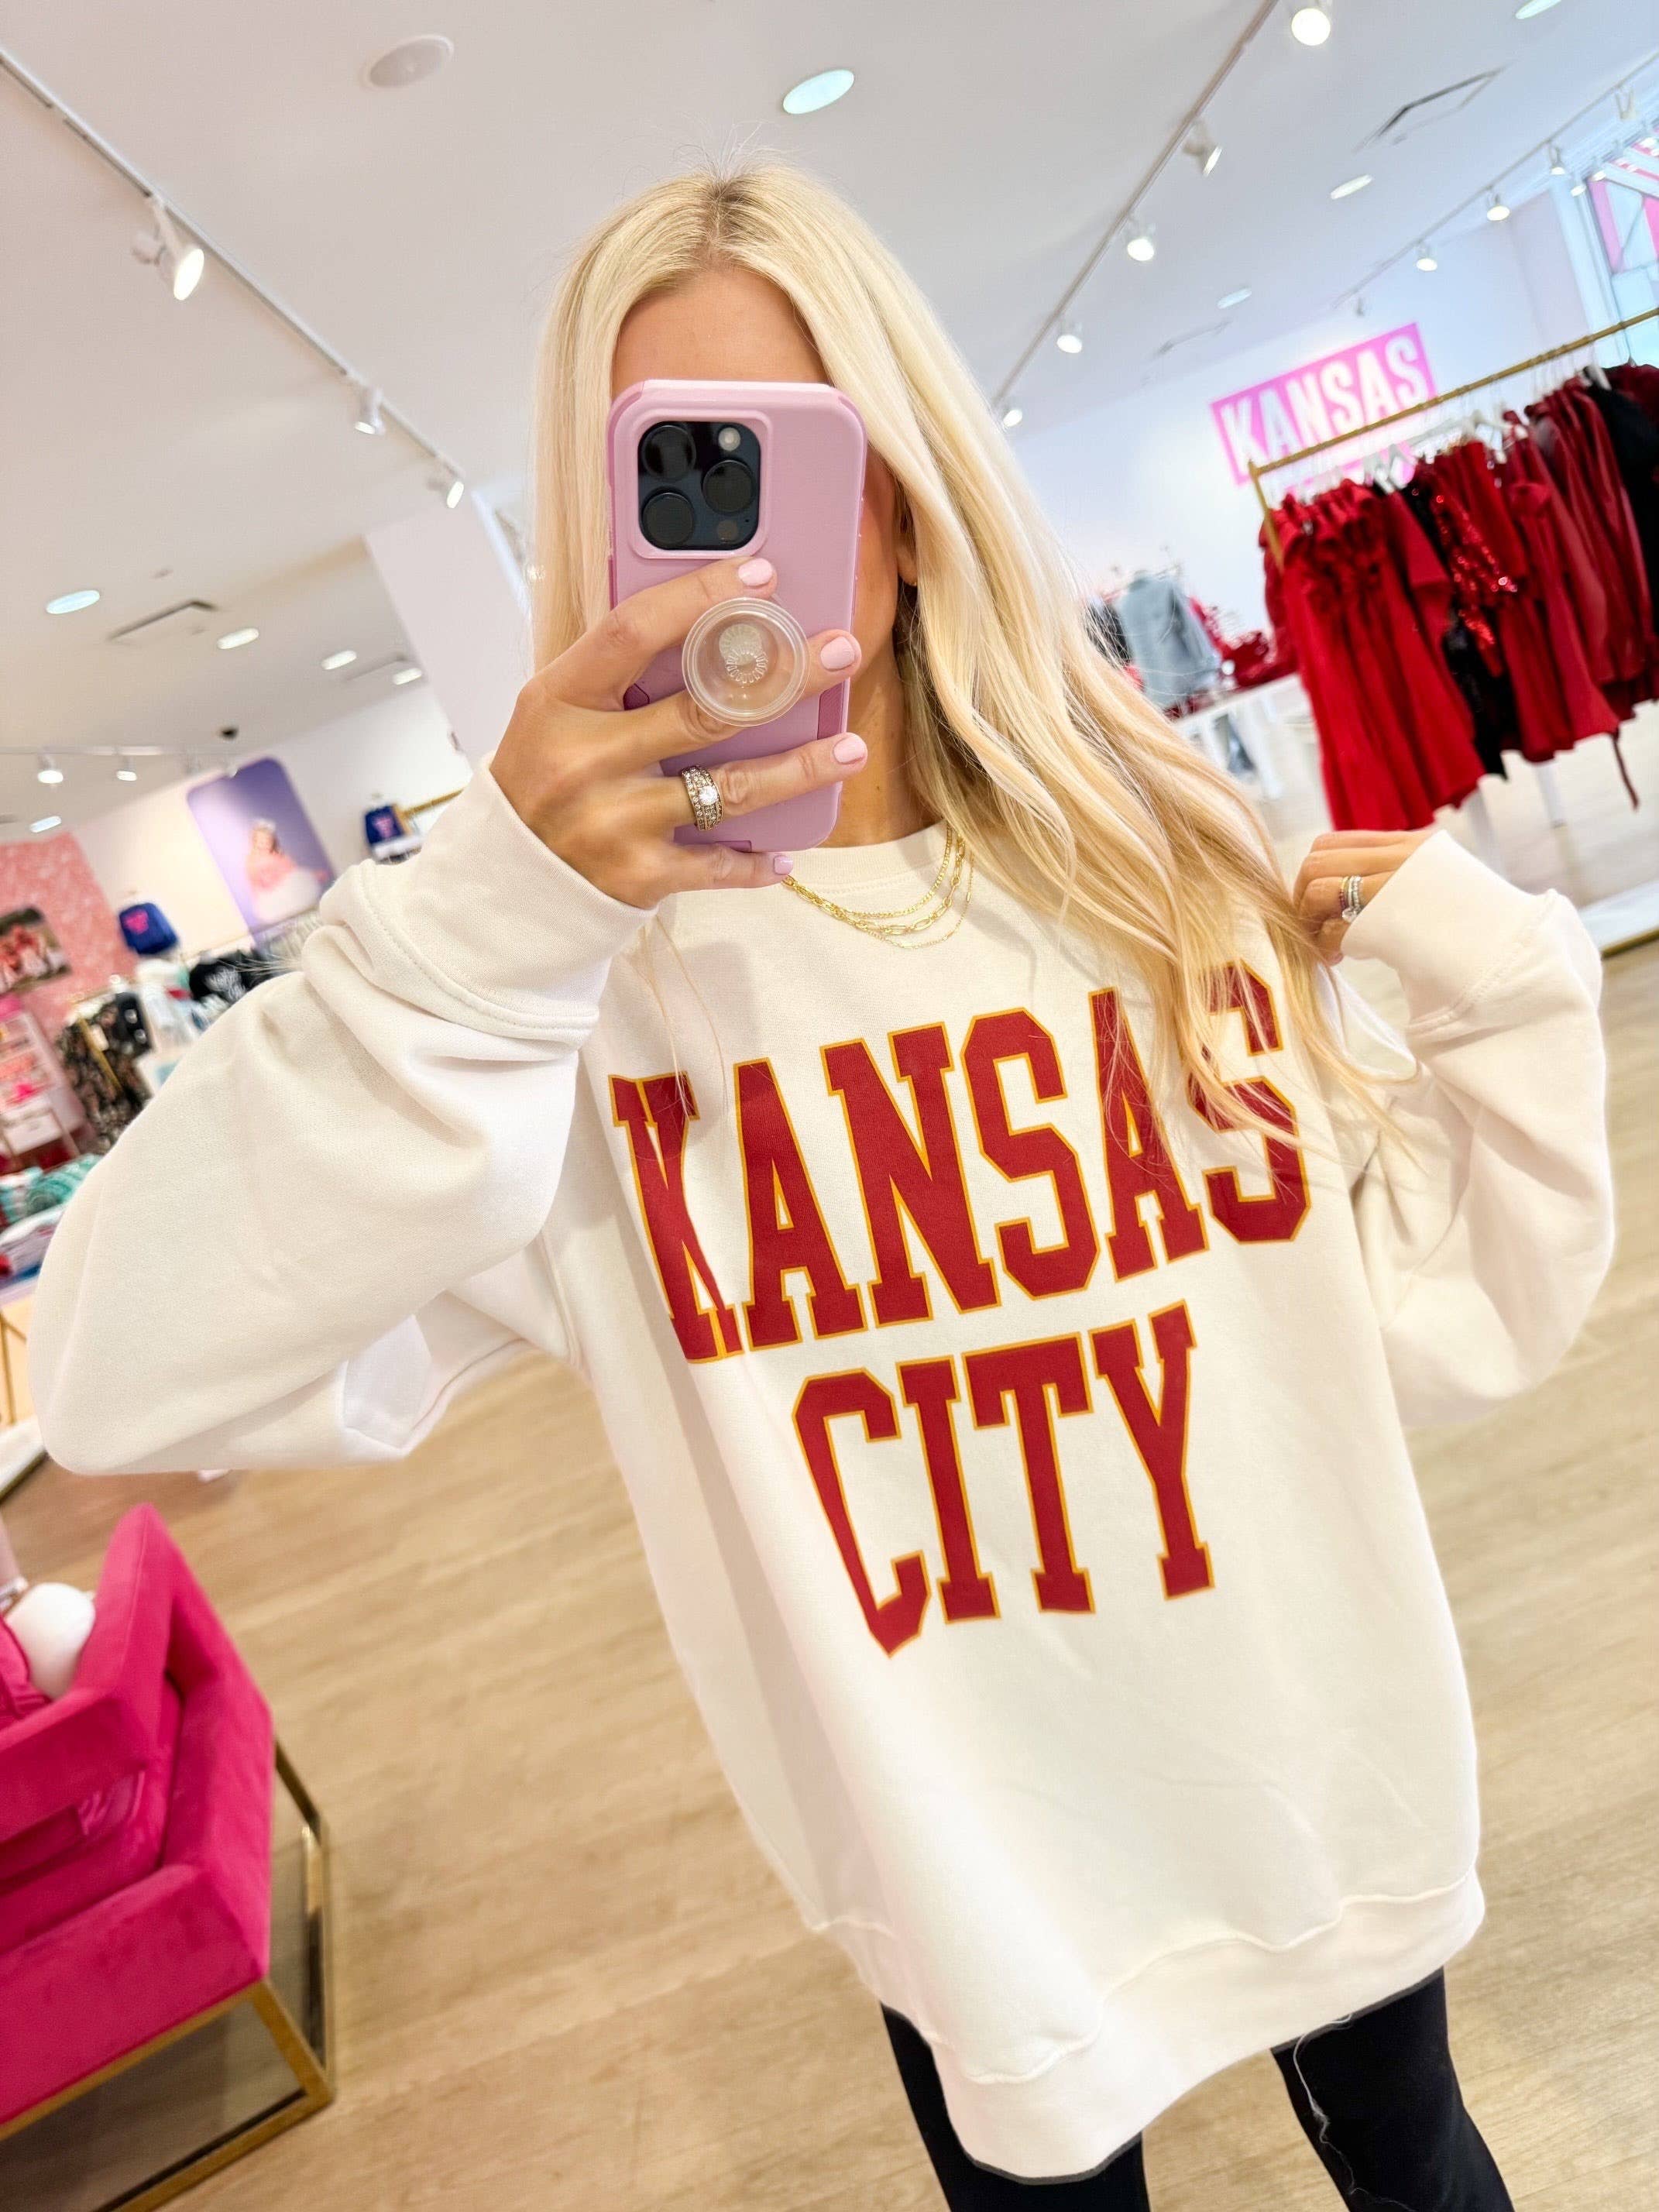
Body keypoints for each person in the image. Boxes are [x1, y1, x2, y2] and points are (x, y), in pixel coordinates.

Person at [30, 164, 1613, 2208]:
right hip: (969, 1886)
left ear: (908, 485)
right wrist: (485, 931)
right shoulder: (566, 1006)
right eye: (665, 475)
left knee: (1416, 2166)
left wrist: (1492, 978)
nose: (736, 543)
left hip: (1308, 1772)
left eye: (787, 455)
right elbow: (122, 1370)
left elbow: (1417, 1328)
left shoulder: (1156, 864)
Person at [243, 819, 324, 926]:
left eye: (267, 840)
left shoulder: (278, 854)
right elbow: (254, 882)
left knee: (304, 911)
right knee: (288, 920)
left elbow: (292, 868)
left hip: (288, 887)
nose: (265, 843)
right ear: (255, 841)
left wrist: (312, 876)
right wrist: (258, 897)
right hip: (273, 894)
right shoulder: (252, 861)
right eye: (261, 840)